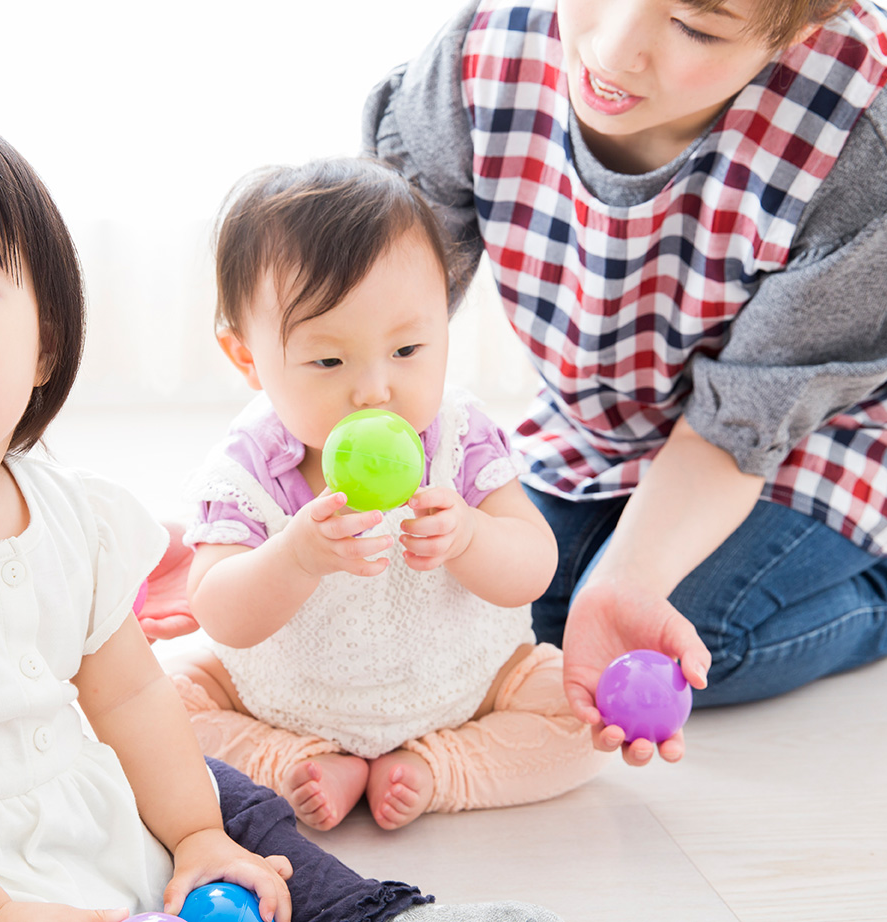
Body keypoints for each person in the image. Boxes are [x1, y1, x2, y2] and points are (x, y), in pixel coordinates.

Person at [0, 109, 560, 922]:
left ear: (46, 342)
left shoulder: (68, 516)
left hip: (45, 805)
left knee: (235, 818)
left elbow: (127, 696)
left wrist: (198, 836)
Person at [360, 0, 887, 766]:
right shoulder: (485, 52)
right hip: (641, 378)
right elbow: (383, 302)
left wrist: (630, 577)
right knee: (519, 610)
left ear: (811, 21)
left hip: (851, 402)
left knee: (697, 639)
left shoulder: (865, 142)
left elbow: (743, 421)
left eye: (697, 28)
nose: (613, 51)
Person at [167, 158, 606, 834]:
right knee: (157, 708)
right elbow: (218, 610)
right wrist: (295, 559)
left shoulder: (459, 437)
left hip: (466, 686)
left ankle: (440, 767)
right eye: (329, 361)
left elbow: (532, 567)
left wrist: (470, 538)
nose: (375, 389)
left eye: (407, 349)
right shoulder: (247, 467)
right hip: (283, 699)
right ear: (247, 358)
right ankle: (297, 762)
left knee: (585, 710)